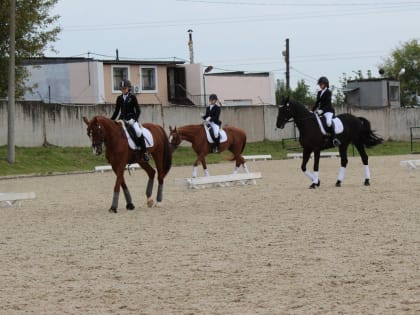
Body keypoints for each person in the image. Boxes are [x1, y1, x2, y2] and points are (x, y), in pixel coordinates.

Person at [111, 79, 149, 161]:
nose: (123, 90)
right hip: (122, 119)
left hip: (131, 118)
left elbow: (138, 110)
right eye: (122, 89)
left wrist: (134, 120)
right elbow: (116, 111)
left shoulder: (133, 97)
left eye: (125, 88)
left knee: (138, 132)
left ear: (128, 88)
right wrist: (111, 120)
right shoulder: (119, 98)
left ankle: (144, 152)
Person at [312, 76, 341, 147]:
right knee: (317, 122)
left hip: (328, 111)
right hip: (320, 111)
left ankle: (334, 139)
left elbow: (328, 104)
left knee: (328, 123)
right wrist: (312, 110)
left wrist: (322, 110)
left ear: (325, 84)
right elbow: (317, 103)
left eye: (322, 84)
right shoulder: (319, 92)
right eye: (320, 84)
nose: (320, 85)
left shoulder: (328, 92)